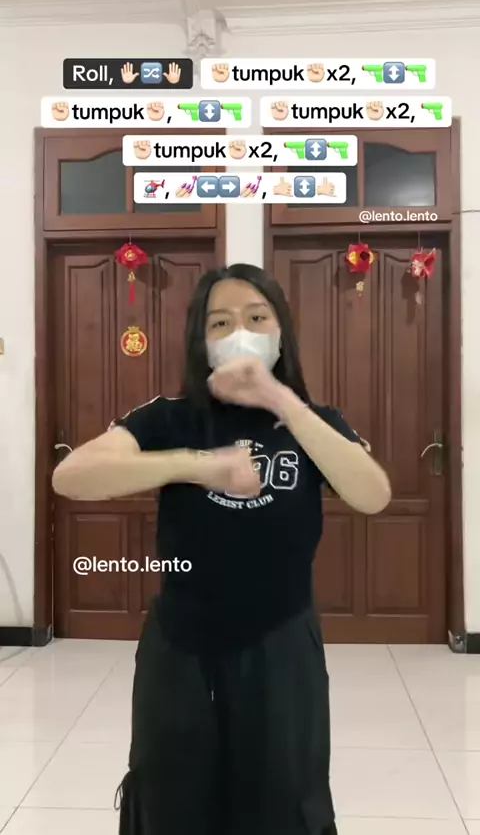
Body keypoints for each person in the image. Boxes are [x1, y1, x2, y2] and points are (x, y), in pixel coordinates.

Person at [52, 262, 391, 835]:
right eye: (220, 322)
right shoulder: (170, 417)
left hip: (282, 645)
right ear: (201, 340)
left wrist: (283, 402)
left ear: (280, 333)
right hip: (181, 646)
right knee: (173, 800)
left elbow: (373, 494)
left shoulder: (315, 423)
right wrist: (196, 465)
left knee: (284, 799)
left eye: (257, 318)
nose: (240, 332)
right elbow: (71, 476)